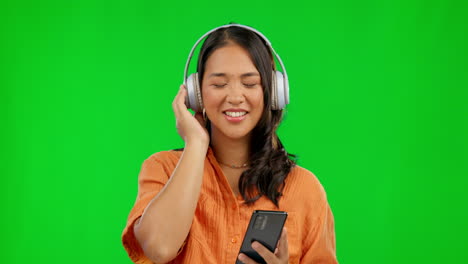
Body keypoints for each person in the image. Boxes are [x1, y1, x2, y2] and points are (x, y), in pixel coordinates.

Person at [121, 24, 338, 264]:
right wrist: (195, 142)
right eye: (219, 84)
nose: (235, 97)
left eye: (249, 83)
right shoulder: (163, 169)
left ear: (273, 92)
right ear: (196, 94)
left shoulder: (305, 189)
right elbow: (159, 249)